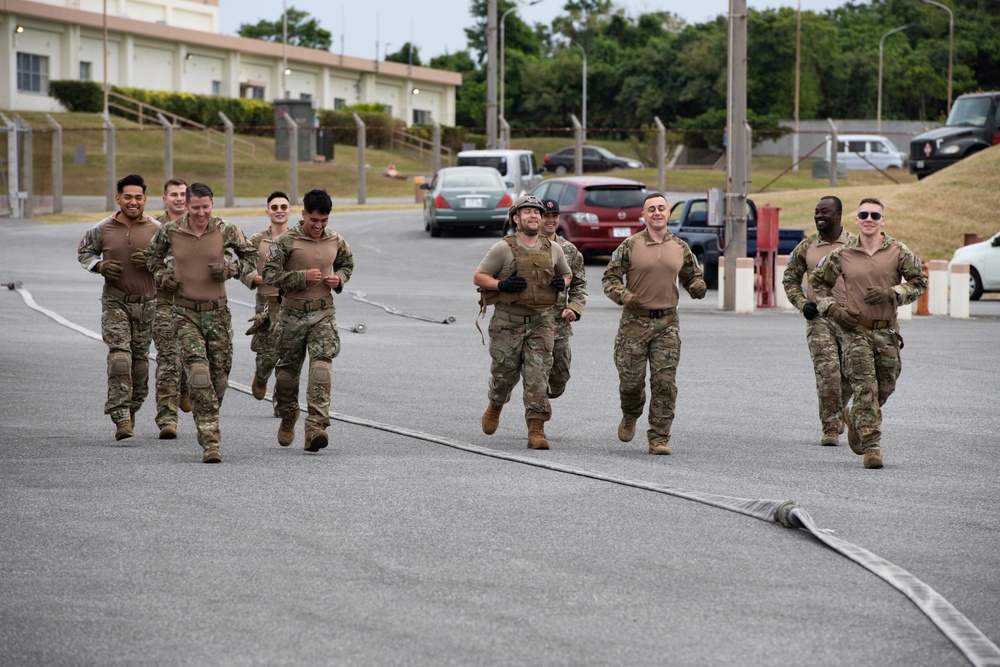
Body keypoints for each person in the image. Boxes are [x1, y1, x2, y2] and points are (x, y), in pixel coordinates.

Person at [811, 197, 927, 469]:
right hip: (855, 330)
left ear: (882, 221)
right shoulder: (843, 254)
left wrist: (893, 293)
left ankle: (854, 415)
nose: (869, 219)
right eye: (864, 214)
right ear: (857, 219)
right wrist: (834, 310)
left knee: (886, 384)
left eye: (875, 215)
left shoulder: (898, 251)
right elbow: (818, 283)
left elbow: (919, 282)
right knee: (865, 387)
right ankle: (871, 447)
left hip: (886, 331)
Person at [145, 183, 256, 463]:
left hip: (217, 313)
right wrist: (162, 277)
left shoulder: (225, 229)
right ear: (187, 205)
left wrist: (230, 270)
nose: (201, 213)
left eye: (205, 207)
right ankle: (211, 442)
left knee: (218, 379)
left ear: (212, 204)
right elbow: (151, 257)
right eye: (196, 207)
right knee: (199, 372)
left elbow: (252, 257)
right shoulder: (170, 230)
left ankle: (199, 404)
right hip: (184, 313)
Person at [602, 192, 707, 455]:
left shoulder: (680, 247)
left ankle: (658, 437)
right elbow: (609, 279)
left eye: (661, 208)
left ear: (668, 213)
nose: (657, 212)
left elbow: (692, 275)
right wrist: (624, 295)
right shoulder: (630, 245)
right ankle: (630, 413)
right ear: (644, 215)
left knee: (664, 382)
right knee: (631, 383)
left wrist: (697, 286)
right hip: (634, 323)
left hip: (667, 324)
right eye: (652, 209)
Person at [473, 194, 572, 450]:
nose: (533, 216)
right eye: (527, 212)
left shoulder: (554, 249)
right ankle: (495, 404)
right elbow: (479, 277)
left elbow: (567, 273)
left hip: (541, 322)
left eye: (537, 212)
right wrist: (501, 284)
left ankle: (536, 430)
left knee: (538, 376)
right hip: (508, 322)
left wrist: (563, 283)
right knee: (504, 374)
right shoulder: (503, 248)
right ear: (516, 218)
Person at [261, 189, 355, 453]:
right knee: (287, 377)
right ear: (303, 214)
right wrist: (300, 278)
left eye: (323, 221)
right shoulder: (287, 241)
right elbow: (269, 274)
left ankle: (316, 427)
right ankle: (288, 413)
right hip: (291, 314)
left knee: (321, 367)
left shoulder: (336, 240)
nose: (318, 226)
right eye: (314, 220)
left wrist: (340, 279)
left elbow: (347, 265)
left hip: (323, 313)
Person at [77, 174, 159, 441]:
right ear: (118, 199)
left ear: (145, 199)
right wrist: (99, 266)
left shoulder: (158, 229)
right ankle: (120, 415)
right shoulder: (103, 228)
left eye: (138, 197)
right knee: (120, 358)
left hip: (147, 304)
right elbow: (84, 252)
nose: (133, 202)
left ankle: (132, 407)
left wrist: (152, 262)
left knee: (139, 365)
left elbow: (174, 260)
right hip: (115, 301)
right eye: (128, 197)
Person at [782, 195, 854, 447]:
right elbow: (789, 279)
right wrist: (802, 304)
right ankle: (831, 427)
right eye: (816, 212)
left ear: (838, 215)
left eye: (824, 212)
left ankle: (841, 411)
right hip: (820, 319)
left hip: (850, 318)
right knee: (827, 373)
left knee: (850, 374)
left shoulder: (856, 245)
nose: (818, 216)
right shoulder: (807, 246)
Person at [151, 178, 190, 439]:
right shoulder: (153, 227)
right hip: (163, 302)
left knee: (191, 358)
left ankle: (185, 386)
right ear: (165, 199)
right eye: (174, 194)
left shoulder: (201, 225)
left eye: (183, 194)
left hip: (194, 303)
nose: (179, 198)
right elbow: (147, 259)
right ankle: (167, 418)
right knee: (168, 359)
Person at [246, 191, 291, 409]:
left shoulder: (298, 238)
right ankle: (261, 375)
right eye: (275, 208)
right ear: (267, 212)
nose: (279, 211)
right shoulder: (257, 240)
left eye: (283, 207)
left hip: (292, 304)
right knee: (268, 354)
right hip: (266, 302)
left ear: (290, 211)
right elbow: (243, 266)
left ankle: (281, 401)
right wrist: (253, 278)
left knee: (289, 355)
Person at [539, 198, 587, 399]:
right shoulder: (521, 247)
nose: (550, 220)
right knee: (534, 375)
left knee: (559, 379)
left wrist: (574, 307)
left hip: (559, 325)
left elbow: (579, 284)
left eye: (554, 216)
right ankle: (536, 412)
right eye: (546, 216)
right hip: (530, 323)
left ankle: (541, 399)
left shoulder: (569, 250)